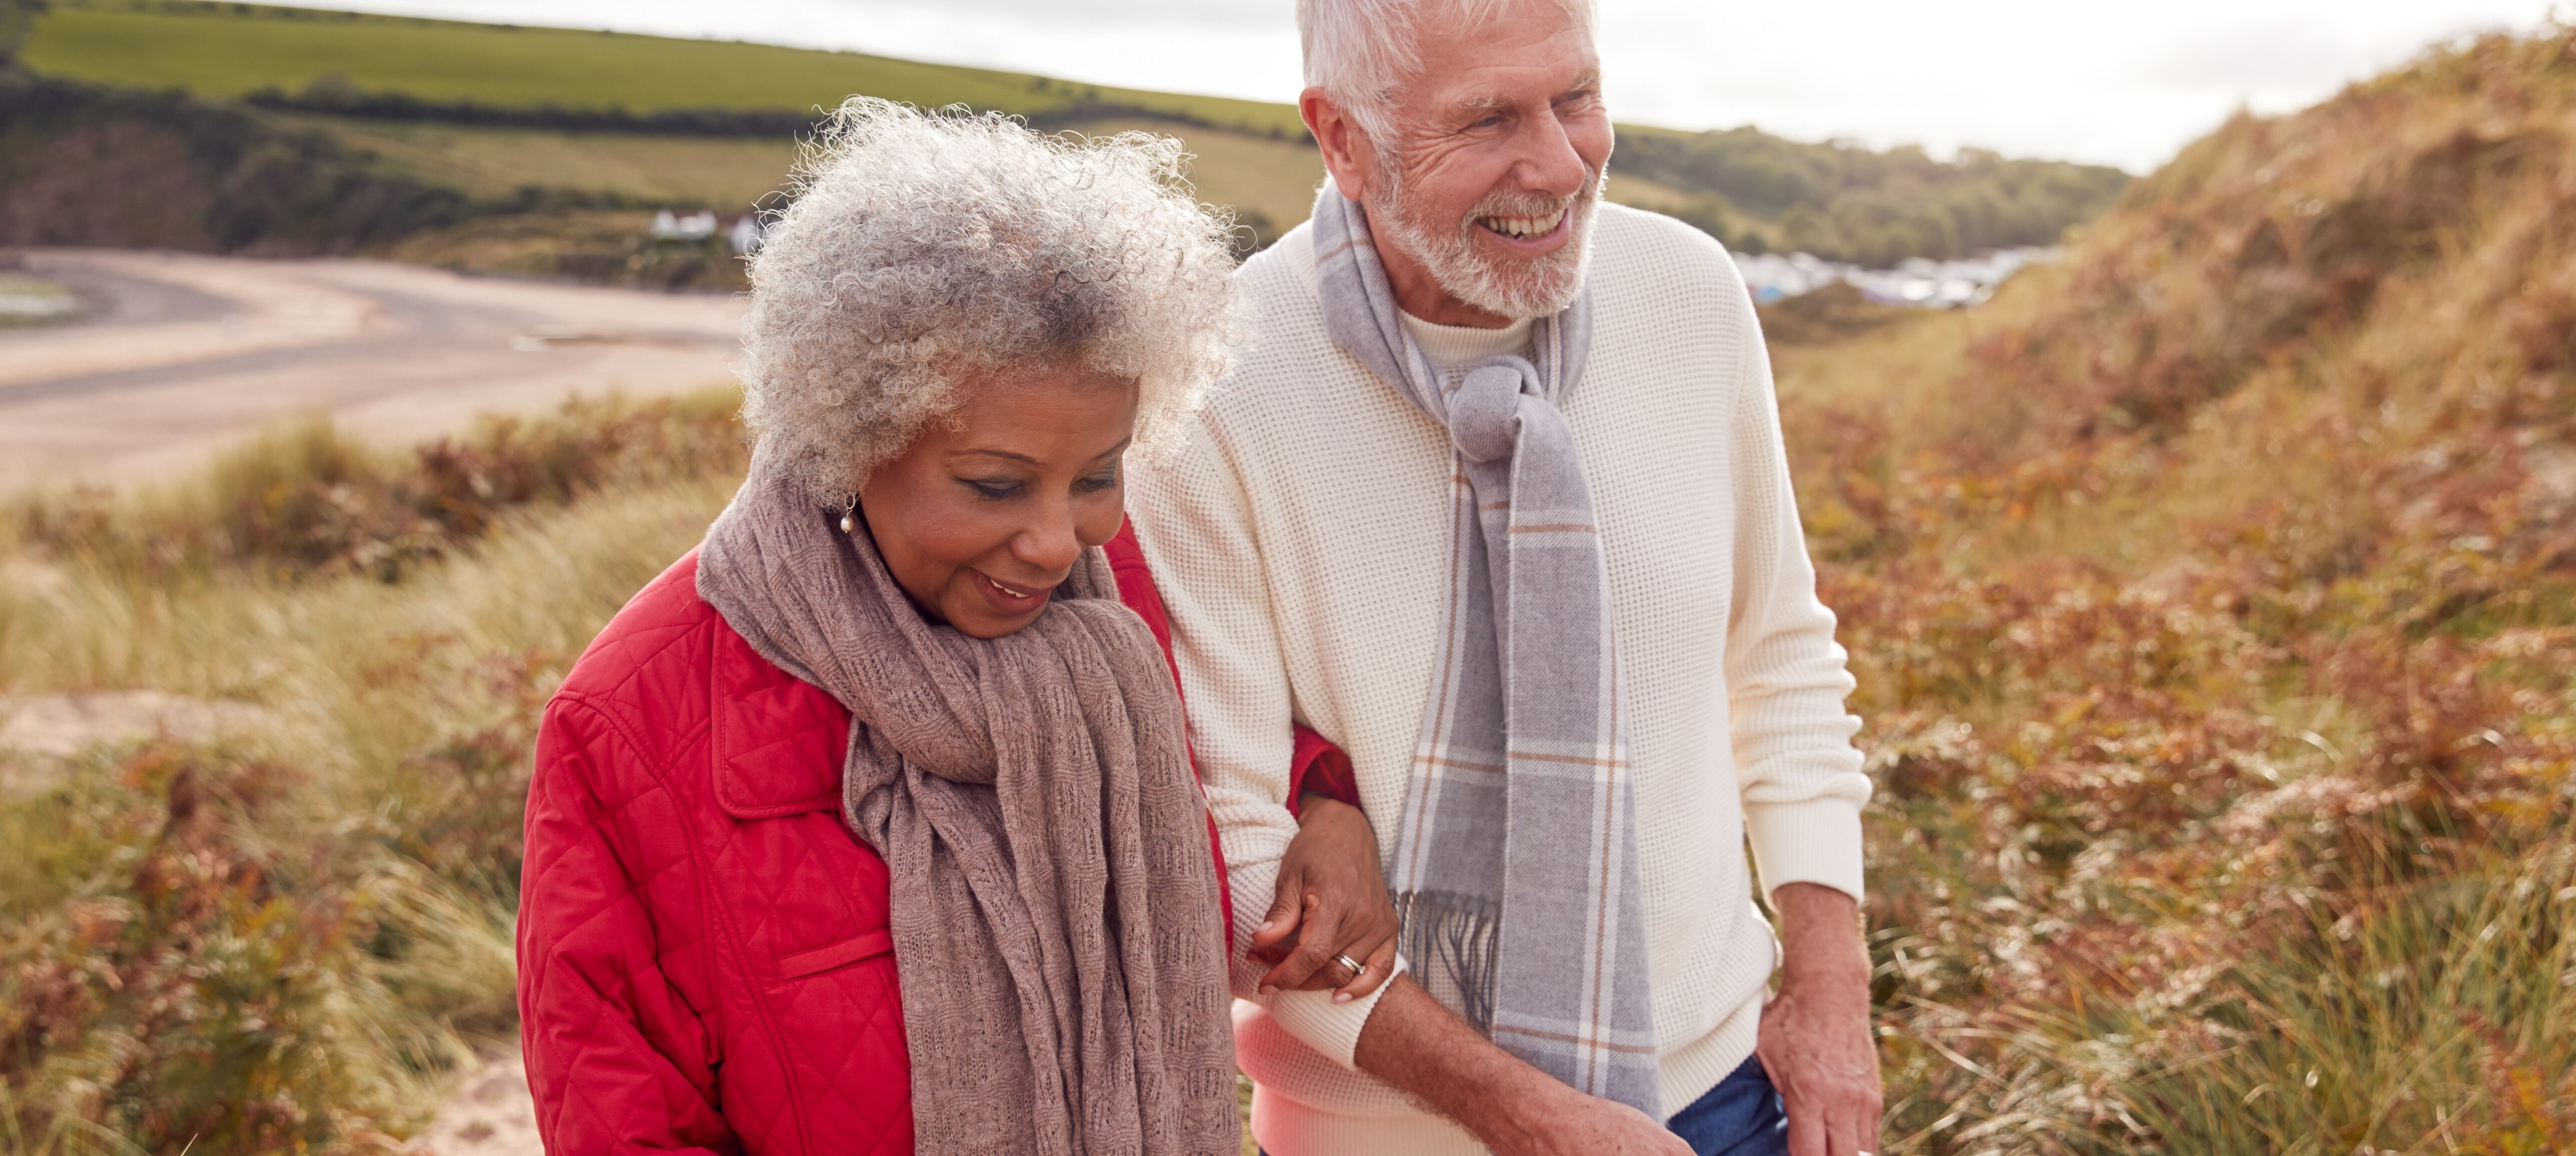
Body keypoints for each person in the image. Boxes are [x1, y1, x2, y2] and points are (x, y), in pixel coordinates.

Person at [515, 101, 1398, 1155]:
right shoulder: (627, 725)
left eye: (1098, 476)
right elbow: (623, 1124)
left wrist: (1325, 806)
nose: (1056, 542)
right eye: (994, 485)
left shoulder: (1112, 601)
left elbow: (1224, 739)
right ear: (854, 437)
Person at [1125, 0, 1885, 1153]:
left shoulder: (1689, 293)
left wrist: (1831, 991)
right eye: (1487, 120)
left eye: (1576, 98)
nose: (1560, 165)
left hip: (1721, 1098)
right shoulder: (1211, 389)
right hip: (1379, 1138)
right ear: (1342, 138)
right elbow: (1230, 850)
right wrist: (1531, 1118)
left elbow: (1778, 658)